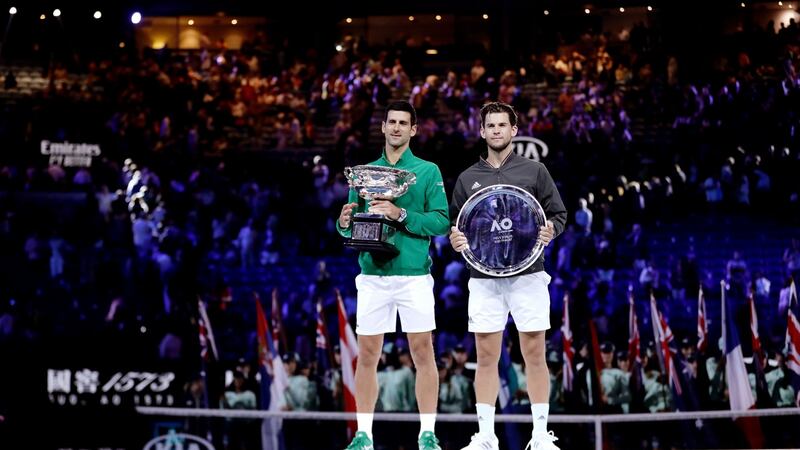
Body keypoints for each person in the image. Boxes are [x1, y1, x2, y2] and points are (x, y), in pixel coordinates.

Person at [449, 102, 567, 450]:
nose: (497, 130)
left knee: (535, 353)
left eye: (503, 125)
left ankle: (540, 435)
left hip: (528, 274)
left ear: (514, 130)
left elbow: (558, 214)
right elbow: (456, 224)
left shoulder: (535, 171)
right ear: (482, 131)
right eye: (491, 125)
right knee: (486, 357)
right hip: (483, 277)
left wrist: (551, 230)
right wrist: (454, 238)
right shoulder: (467, 178)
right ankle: (486, 436)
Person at [337, 100, 450, 450]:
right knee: (368, 354)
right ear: (383, 127)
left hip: (414, 274)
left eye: (404, 123)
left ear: (413, 130)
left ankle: (427, 433)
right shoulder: (365, 174)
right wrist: (343, 223)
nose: (397, 127)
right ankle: (364, 434)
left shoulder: (428, 171)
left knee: (423, 352)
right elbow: (352, 224)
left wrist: (400, 214)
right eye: (392, 122)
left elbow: (441, 222)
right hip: (373, 273)